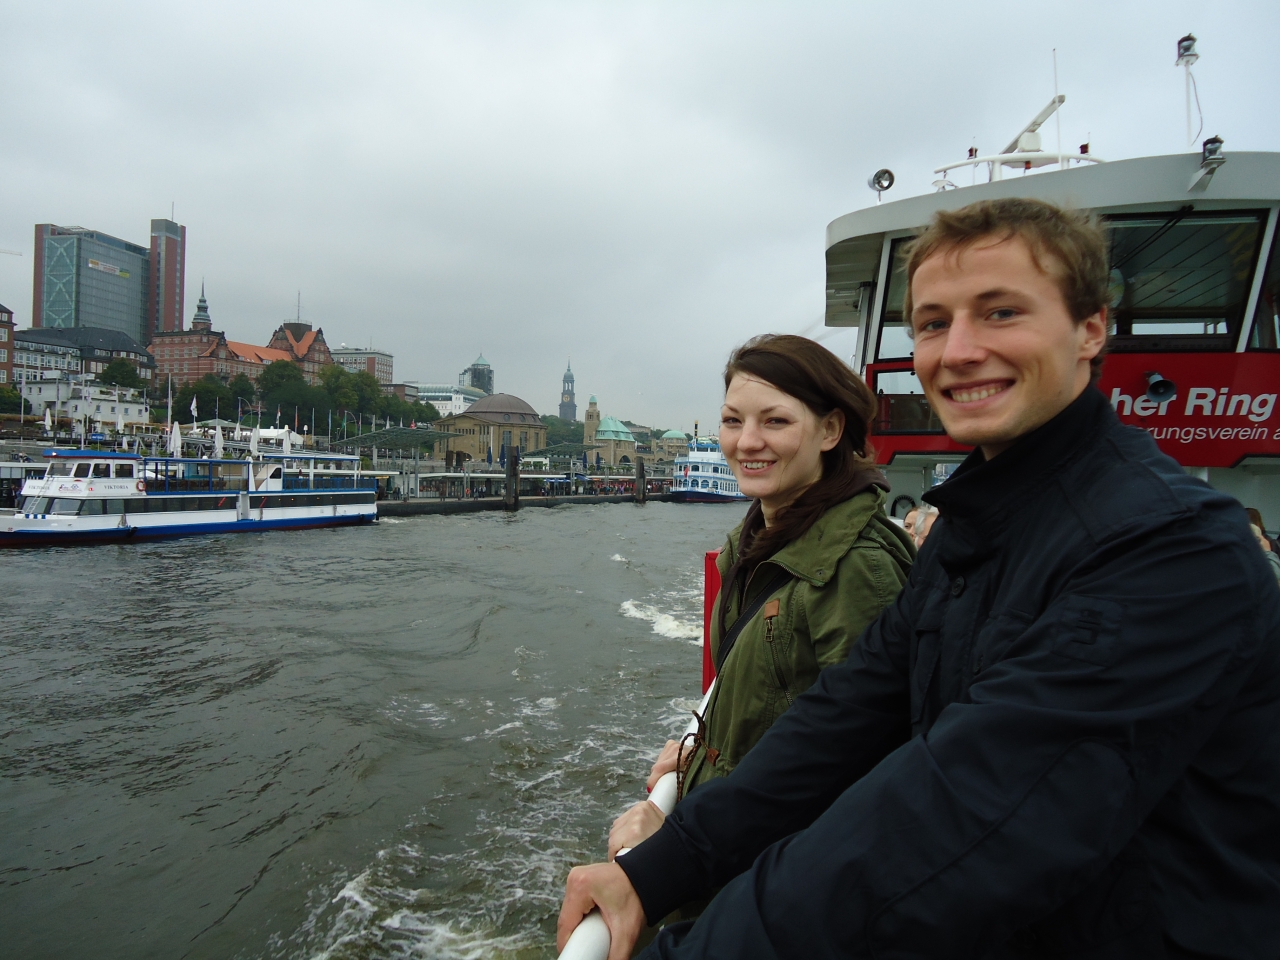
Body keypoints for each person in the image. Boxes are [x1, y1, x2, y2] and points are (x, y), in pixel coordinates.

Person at [558, 197, 1280, 960]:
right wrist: (660, 871)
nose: (958, 350)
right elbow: (845, 717)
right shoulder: (977, 524)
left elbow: (954, 817)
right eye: (932, 324)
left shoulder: (1169, 550)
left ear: (1091, 328)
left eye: (1001, 312)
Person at [607, 334, 913, 862]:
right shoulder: (755, 544)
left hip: (770, 867)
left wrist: (678, 845)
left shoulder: (857, 571)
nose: (747, 442)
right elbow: (767, 709)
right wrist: (699, 756)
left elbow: (859, 774)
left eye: (775, 421)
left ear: (831, 430)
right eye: (733, 420)